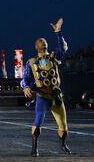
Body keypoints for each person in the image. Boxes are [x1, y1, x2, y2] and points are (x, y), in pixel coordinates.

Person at [21, 18, 71, 157]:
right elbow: (25, 78)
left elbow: (62, 48)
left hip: (56, 95)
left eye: (44, 40)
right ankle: (34, 147)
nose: (43, 41)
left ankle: (63, 144)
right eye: (40, 41)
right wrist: (25, 87)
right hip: (42, 95)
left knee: (63, 123)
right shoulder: (31, 62)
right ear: (36, 46)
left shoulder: (54, 57)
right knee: (38, 121)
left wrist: (58, 32)